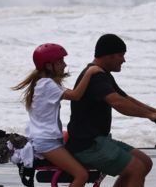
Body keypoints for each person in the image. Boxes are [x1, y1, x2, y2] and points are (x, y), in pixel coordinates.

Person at [66, 34, 156, 187]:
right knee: (136, 168)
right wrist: (150, 115)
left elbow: (125, 98)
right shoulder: (96, 76)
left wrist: (155, 111)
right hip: (87, 145)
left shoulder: (102, 73)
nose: (124, 60)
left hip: (98, 140)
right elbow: (117, 103)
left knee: (145, 162)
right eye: (121, 55)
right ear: (109, 56)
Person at [13, 43, 105, 187]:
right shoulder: (47, 85)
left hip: (46, 138)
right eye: (60, 61)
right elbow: (76, 95)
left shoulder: (44, 83)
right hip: (46, 141)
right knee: (81, 175)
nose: (64, 64)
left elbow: (74, 93)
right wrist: (90, 72)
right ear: (49, 66)